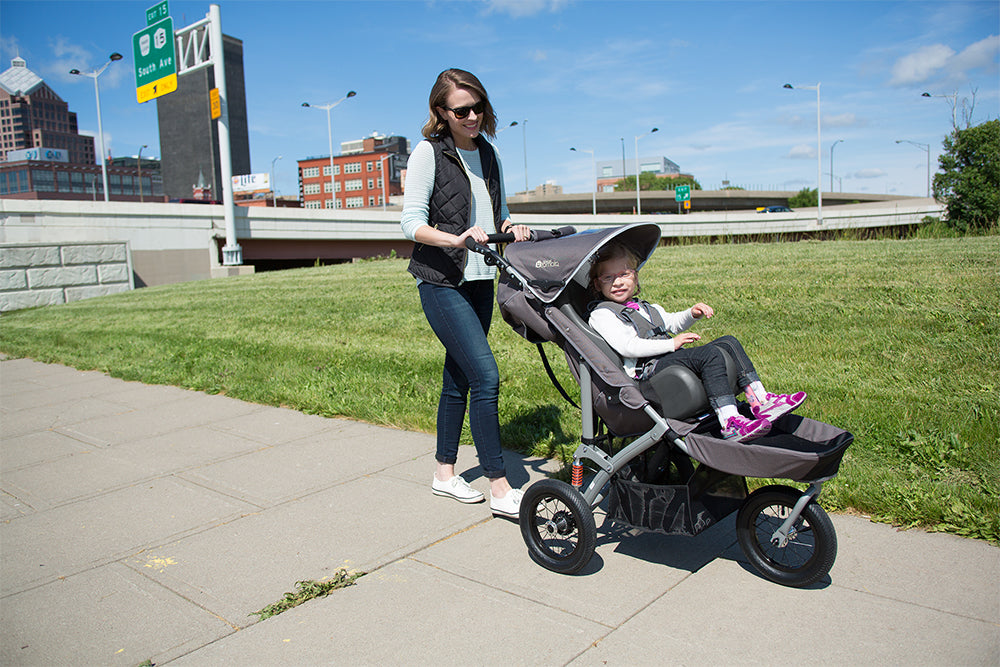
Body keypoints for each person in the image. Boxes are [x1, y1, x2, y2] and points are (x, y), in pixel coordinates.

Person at [400, 68, 531, 517]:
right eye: (461, 110)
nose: (472, 116)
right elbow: (410, 222)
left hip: (479, 279)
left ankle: (444, 475)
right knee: (485, 377)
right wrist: (453, 239)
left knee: (457, 379)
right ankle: (499, 487)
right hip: (441, 280)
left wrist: (512, 228)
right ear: (441, 112)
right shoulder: (427, 153)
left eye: (478, 107)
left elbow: (501, 212)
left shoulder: (489, 154)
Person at [587, 243, 805, 442]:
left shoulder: (645, 307)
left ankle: (760, 400)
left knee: (728, 343)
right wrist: (672, 345)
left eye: (624, 274)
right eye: (608, 278)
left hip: (667, 361)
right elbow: (629, 346)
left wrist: (692, 314)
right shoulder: (603, 314)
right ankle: (730, 421)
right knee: (708, 354)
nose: (617, 282)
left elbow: (671, 322)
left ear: (635, 276)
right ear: (597, 284)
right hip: (648, 372)